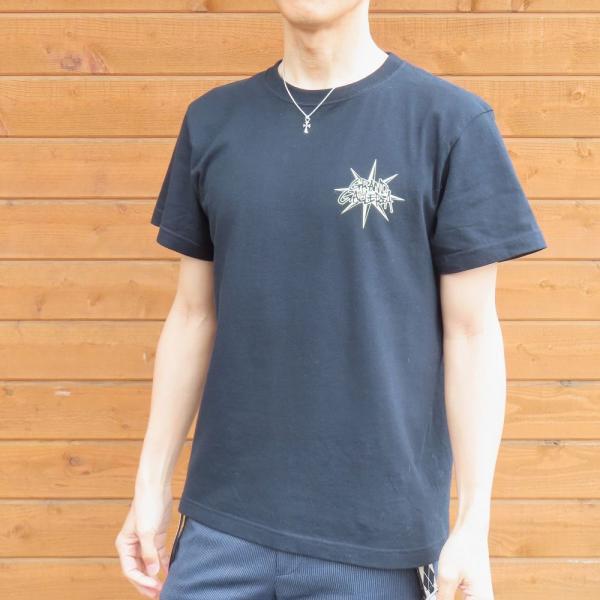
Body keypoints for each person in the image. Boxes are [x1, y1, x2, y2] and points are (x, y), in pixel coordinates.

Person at [114, 1, 547, 599]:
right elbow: (193, 314)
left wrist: (474, 524)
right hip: (221, 530)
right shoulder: (214, 121)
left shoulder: (448, 123)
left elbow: (472, 334)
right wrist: (150, 484)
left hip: (377, 546)